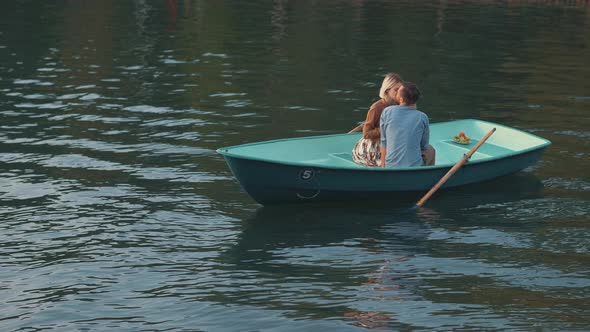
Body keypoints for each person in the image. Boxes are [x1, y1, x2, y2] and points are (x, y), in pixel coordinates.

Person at [351, 73, 404, 167]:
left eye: (400, 90)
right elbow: (366, 134)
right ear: (387, 90)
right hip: (374, 144)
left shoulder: (400, 105)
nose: (399, 93)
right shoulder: (376, 108)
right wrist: (385, 129)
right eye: (396, 90)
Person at [379, 82, 436, 168]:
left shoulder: (386, 112)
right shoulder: (422, 117)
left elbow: (384, 142)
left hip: (390, 167)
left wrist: (383, 167)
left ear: (401, 100)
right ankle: (427, 175)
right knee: (431, 149)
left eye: (397, 91)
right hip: (414, 167)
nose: (396, 93)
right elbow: (424, 146)